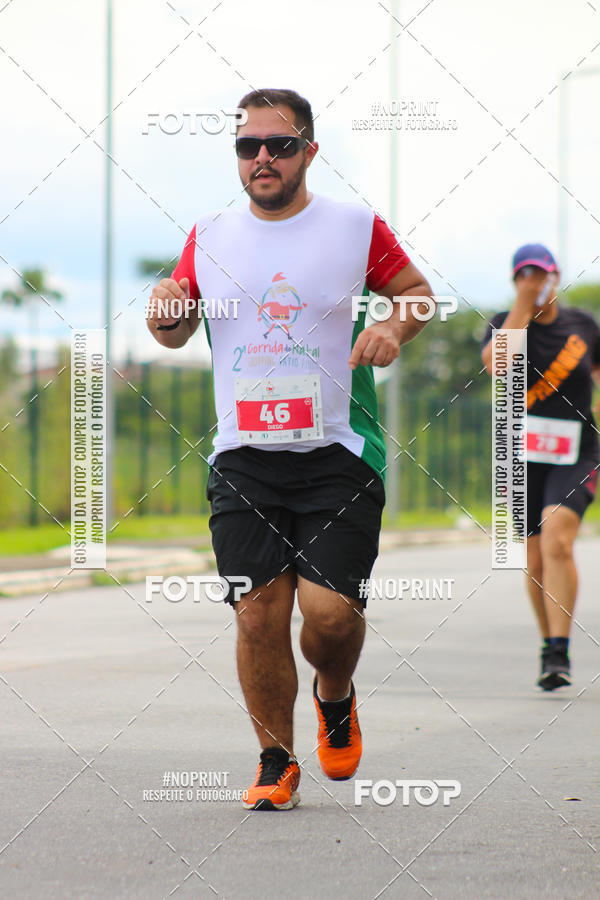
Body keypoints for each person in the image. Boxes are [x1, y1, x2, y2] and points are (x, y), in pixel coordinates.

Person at [147, 88, 432, 809]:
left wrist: (394, 330)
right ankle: (276, 759)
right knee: (256, 614)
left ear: (309, 150)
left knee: (330, 617)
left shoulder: (354, 226)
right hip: (243, 455)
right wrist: (165, 310)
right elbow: (174, 323)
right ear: (237, 158)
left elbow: (417, 293)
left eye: (278, 145)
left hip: (337, 453)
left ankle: (334, 693)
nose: (262, 158)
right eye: (249, 147)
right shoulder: (209, 233)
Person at [481, 244, 600, 690]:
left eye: (541, 275)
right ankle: (549, 646)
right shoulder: (502, 325)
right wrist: (522, 306)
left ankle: (560, 648)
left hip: (576, 453)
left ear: (557, 276)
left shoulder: (583, 325)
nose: (533, 283)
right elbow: (498, 365)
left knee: (557, 536)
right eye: (523, 277)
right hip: (520, 458)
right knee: (533, 559)